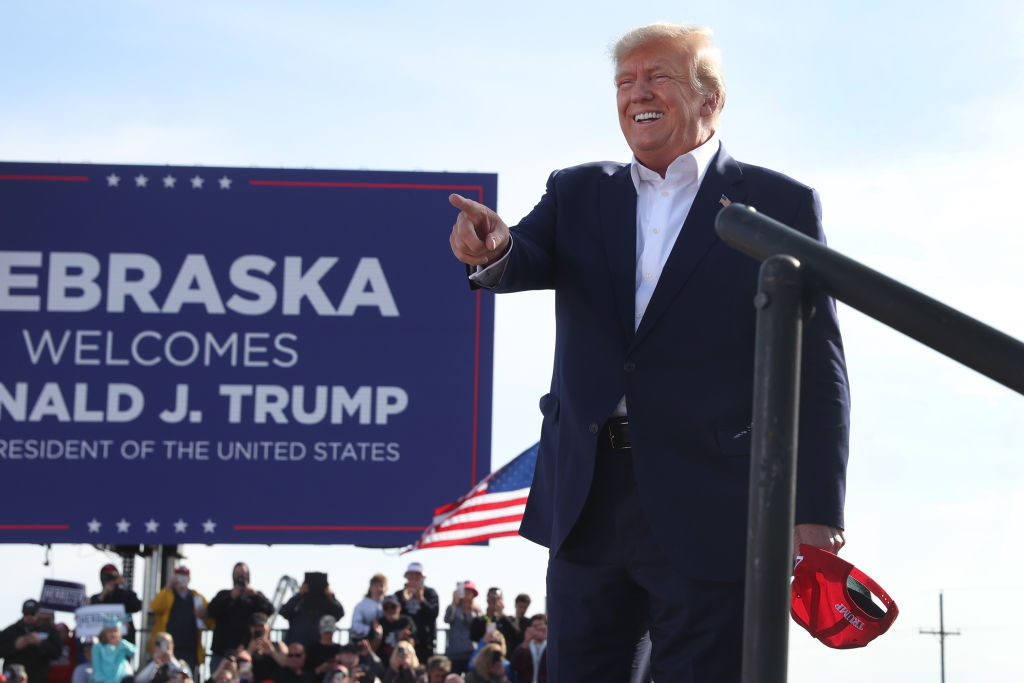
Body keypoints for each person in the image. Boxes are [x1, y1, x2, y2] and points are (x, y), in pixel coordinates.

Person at [447, 21, 850, 681]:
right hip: (588, 499)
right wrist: (493, 250)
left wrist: (817, 508)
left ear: (708, 99)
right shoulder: (576, 191)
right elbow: (523, 253)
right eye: (625, 81)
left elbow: (820, 368)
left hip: (713, 503)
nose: (638, 91)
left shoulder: (778, 203)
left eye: (656, 76)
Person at [206, 563, 275, 673]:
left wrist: (255, 594)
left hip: (246, 653)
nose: (240, 577)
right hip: (221, 654)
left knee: (244, 679)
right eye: (237, 573)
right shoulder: (224, 594)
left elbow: (270, 610)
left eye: (243, 573)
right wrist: (231, 597)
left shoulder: (254, 597)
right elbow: (211, 612)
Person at [147, 566, 212, 674]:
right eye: (179, 575)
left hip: (189, 650)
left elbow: (210, 621)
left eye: (184, 576)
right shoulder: (168, 593)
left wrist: (203, 614)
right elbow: (155, 606)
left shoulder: (196, 597)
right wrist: (168, 586)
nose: (182, 579)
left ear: (189, 578)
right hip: (166, 649)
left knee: (185, 676)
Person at [0, 600, 61, 683]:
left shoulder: (49, 630)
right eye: (26, 613)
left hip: (38, 678)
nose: (29, 616)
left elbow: (57, 653)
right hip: (14, 679)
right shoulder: (11, 630)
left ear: (38, 613)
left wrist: (40, 643)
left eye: (32, 613)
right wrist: (14, 646)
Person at [279, 573, 344, 649]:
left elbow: (340, 613)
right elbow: (284, 612)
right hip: (298, 649)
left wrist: (332, 596)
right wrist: (299, 594)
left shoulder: (328, 604)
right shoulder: (299, 602)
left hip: (320, 648)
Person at [392, 564, 438, 664]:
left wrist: (422, 600)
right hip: (403, 642)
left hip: (424, 643)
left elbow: (434, 614)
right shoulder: (398, 595)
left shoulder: (430, 593)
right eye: (411, 576)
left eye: (417, 576)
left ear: (422, 578)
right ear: (406, 577)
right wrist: (403, 602)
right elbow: (392, 616)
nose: (414, 579)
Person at [89, 564, 143, 643]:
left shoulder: (125, 595)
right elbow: (92, 612)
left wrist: (125, 585)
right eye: (107, 577)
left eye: (113, 577)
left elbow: (137, 606)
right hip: (103, 642)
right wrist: (104, 594)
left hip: (124, 641)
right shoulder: (96, 598)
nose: (110, 580)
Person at [467, 590, 517, 659]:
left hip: (503, 658)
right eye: (491, 597)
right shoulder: (480, 619)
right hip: (484, 658)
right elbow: (474, 636)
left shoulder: (508, 620)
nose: (494, 600)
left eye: (497, 598)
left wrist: (501, 615)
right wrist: (488, 617)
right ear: (487, 600)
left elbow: (514, 635)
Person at [441, 584, 479, 675]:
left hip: (471, 652)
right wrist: (454, 602)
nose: (466, 594)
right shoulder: (453, 607)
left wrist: (475, 613)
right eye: (464, 591)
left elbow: (480, 626)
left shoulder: (476, 610)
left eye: (469, 592)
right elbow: (446, 619)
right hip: (454, 652)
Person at [90, 618, 135, 683]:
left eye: (115, 631)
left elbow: (134, 652)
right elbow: (97, 669)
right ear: (104, 632)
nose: (113, 634)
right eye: (110, 631)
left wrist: (123, 643)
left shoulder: (122, 645)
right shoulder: (97, 647)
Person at [374, 598, 413, 663]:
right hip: (383, 663)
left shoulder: (406, 621)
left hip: (404, 662)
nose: (390, 610)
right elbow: (372, 649)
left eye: (393, 607)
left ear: (399, 607)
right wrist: (378, 636)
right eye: (386, 608)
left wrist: (406, 638)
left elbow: (413, 643)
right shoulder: (379, 623)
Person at [509, 616, 546, 683]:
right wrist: (526, 642)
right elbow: (514, 665)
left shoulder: (553, 648)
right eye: (535, 626)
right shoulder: (524, 647)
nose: (538, 629)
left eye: (541, 625)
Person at [349, 575, 386, 642]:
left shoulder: (390, 604)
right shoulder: (361, 606)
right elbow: (355, 626)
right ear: (371, 588)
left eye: (382, 586)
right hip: (365, 642)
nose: (379, 589)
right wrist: (372, 630)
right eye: (376, 586)